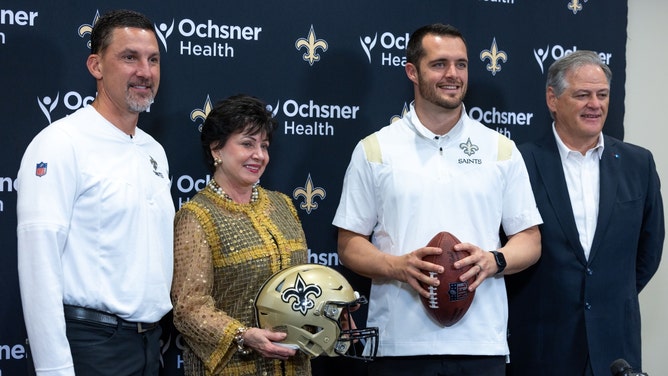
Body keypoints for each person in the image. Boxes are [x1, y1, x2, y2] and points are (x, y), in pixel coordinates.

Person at [332, 23, 543, 376]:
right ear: (412, 71)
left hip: (480, 344)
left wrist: (495, 260)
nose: (453, 74)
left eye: (461, 64)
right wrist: (396, 266)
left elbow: (530, 239)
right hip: (399, 344)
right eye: (439, 64)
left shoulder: (501, 149)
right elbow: (349, 243)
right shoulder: (375, 148)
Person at [16, 9, 173, 376]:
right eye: (129, 57)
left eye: (153, 60)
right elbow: (39, 265)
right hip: (90, 348)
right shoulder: (60, 143)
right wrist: (55, 369)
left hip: (151, 347)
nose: (144, 72)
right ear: (96, 66)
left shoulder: (154, 151)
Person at [506, 50, 664, 376]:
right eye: (582, 95)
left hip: (615, 353)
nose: (595, 104)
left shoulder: (639, 164)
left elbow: (649, 249)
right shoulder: (518, 163)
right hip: (540, 347)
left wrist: (607, 295)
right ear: (553, 99)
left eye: (602, 94)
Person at [170, 94, 312, 375]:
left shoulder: (283, 205)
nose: (259, 155)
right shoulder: (197, 216)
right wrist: (243, 334)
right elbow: (188, 308)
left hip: (294, 365)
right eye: (247, 144)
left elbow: (303, 283)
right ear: (216, 149)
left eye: (264, 146)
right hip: (234, 367)